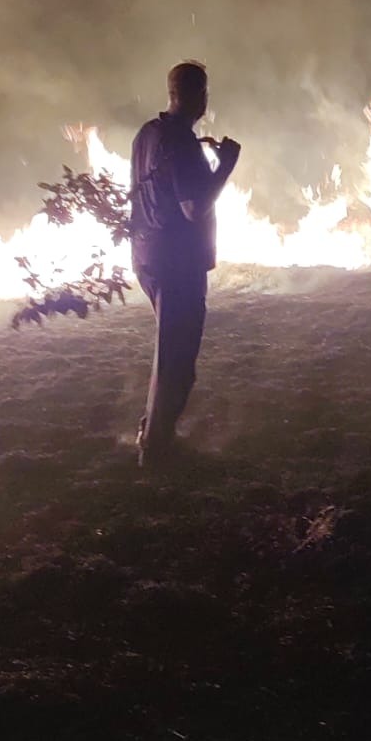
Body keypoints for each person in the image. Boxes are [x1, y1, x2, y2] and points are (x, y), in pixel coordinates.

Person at [129, 60, 241, 467]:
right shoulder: (181, 143)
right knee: (176, 358)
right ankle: (156, 446)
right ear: (197, 96)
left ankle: (154, 432)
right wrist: (226, 165)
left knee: (172, 351)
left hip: (148, 257)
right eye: (204, 92)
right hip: (176, 262)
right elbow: (194, 207)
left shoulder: (147, 134)